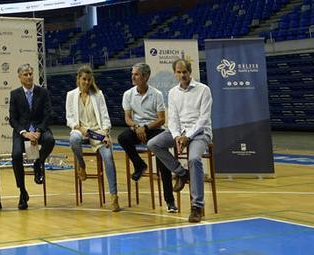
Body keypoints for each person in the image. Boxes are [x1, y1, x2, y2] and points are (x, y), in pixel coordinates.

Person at [148, 58, 213, 223]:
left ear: (190, 72)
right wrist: (177, 136)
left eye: (185, 71)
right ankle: (181, 173)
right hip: (179, 132)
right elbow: (173, 119)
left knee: (194, 159)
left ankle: (196, 206)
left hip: (200, 133)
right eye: (179, 72)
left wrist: (187, 137)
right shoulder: (172, 93)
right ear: (175, 73)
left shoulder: (203, 90)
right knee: (153, 144)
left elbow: (203, 119)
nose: (182, 75)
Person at [117, 63, 177, 213]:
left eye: (136, 74)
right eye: (133, 74)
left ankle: (170, 201)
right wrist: (137, 128)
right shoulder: (128, 94)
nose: (133, 77)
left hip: (153, 129)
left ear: (145, 77)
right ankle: (139, 165)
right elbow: (127, 118)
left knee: (162, 161)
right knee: (123, 137)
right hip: (137, 129)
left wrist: (145, 128)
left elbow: (161, 119)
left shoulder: (156, 94)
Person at [65, 64, 120, 212]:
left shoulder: (98, 95)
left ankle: (114, 197)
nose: (86, 82)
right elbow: (69, 119)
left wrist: (105, 133)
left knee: (108, 157)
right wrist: (78, 127)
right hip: (80, 130)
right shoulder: (71, 95)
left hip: (97, 131)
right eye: (84, 79)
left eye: (89, 80)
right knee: (73, 140)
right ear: (78, 79)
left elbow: (106, 118)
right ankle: (81, 165)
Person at [9, 64, 55, 210]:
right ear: (19, 77)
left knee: (50, 140)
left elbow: (48, 114)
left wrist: (39, 131)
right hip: (22, 132)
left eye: (30, 74)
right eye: (25, 74)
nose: (29, 76)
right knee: (16, 155)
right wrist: (24, 133)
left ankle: (38, 163)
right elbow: (13, 119)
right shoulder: (15, 94)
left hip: (39, 129)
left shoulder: (43, 92)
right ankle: (22, 192)